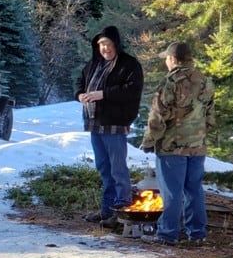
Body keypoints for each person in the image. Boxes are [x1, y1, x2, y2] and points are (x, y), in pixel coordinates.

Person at [140, 42, 215, 246]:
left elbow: (158, 116)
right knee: (194, 190)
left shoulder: (171, 81)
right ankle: (197, 233)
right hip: (197, 146)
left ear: (173, 59)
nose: (165, 61)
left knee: (172, 192)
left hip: (172, 146)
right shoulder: (205, 81)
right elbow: (210, 115)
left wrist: (149, 141)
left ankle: (168, 234)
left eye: (166, 58)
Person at [76, 26, 144, 228]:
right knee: (104, 168)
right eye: (101, 45)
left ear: (116, 44)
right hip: (95, 123)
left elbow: (131, 90)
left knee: (117, 169)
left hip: (115, 123)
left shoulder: (129, 65)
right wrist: (80, 95)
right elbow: (79, 83)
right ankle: (107, 210)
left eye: (108, 44)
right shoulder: (93, 64)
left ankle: (122, 210)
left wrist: (102, 94)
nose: (104, 49)